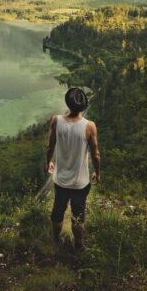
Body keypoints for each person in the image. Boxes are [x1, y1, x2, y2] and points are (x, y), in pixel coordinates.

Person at [46, 87, 100, 251]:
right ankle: (79, 245)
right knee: (78, 216)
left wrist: (48, 162)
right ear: (84, 106)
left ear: (68, 103)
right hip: (80, 183)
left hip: (61, 180)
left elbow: (50, 146)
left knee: (58, 212)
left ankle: (56, 240)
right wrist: (97, 173)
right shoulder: (89, 126)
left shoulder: (56, 120)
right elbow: (95, 153)